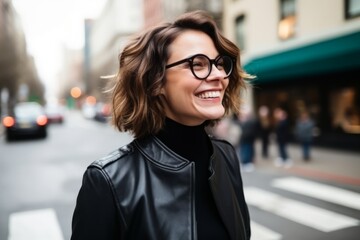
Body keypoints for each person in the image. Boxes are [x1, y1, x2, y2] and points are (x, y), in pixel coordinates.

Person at [71, 11, 251, 240]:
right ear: (155, 82)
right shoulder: (108, 181)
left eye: (218, 63)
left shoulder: (226, 155)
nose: (217, 75)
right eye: (198, 64)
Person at [237, 107, 258, 172]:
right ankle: (244, 162)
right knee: (244, 150)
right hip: (244, 139)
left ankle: (247, 163)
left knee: (248, 151)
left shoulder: (251, 121)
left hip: (248, 139)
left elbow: (251, 131)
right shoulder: (242, 121)